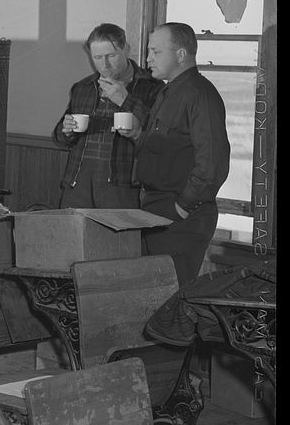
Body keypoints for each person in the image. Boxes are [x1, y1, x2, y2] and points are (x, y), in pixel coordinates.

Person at [120, 23, 231, 287]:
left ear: (181, 55)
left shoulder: (199, 94)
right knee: (153, 296)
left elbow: (213, 165)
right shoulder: (168, 92)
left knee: (171, 301)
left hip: (181, 218)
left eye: (156, 52)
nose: (147, 59)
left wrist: (182, 208)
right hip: (156, 210)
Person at [52, 23, 163, 208]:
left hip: (123, 189)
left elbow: (159, 135)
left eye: (111, 56)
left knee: (118, 238)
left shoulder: (154, 88)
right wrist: (67, 131)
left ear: (126, 49)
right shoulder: (83, 88)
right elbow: (59, 138)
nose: (104, 64)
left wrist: (126, 100)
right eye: (97, 57)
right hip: (76, 186)